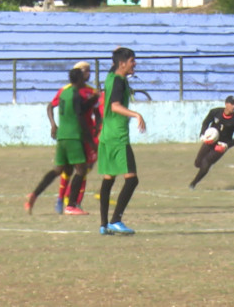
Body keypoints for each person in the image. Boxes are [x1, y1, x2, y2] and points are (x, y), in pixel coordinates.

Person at [25, 68, 96, 216]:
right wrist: (91, 141)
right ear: (79, 80)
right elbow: (80, 116)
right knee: (81, 170)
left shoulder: (64, 93)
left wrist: (93, 99)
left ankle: (34, 195)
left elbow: (77, 108)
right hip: (73, 136)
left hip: (62, 136)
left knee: (59, 170)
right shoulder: (76, 95)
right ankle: (71, 205)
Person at [97, 47, 146, 235]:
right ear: (122, 64)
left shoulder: (110, 77)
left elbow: (113, 63)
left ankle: (103, 224)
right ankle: (116, 220)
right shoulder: (118, 82)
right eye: (132, 61)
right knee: (132, 180)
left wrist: (117, 51)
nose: (135, 64)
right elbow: (115, 106)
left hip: (106, 135)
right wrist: (136, 114)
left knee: (108, 178)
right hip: (118, 136)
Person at [48, 61, 100, 214]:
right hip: (74, 134)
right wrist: (53, 124)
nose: (88, 73)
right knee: (73, 168)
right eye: (85, 70)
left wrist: (97, 126)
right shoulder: (66, 90)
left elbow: (96, 111)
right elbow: (51, 105)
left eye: (90, 70)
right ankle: (63, 199)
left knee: (85, 168)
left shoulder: (91, 91)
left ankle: (74, 202)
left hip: (88, 133)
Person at [189, 96, 234, 190]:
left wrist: (227, 145)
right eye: (232, 104)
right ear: (226, 104)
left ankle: (193, 184)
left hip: (221, 145)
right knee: (198, 163)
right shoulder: (215, 112)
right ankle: (205, 167)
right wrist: (202, 134)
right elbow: (206, 122)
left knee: (206, 162)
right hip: (210, 140)